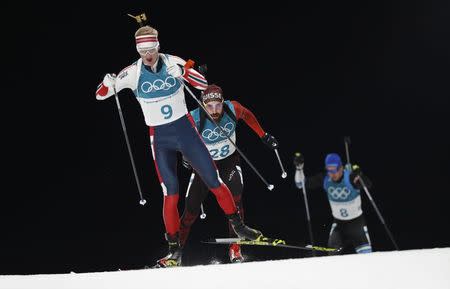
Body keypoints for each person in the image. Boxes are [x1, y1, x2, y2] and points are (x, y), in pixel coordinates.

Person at [95, 25, 264, 267]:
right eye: (143, 50)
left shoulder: (173, 60)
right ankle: (174, 249)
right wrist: (106, 82)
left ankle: (239, 226)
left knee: (214, 180)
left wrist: (184, 73)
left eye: (151, 48)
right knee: (170, 193)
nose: (148, 54)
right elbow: (101, 95)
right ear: (137, 50)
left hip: (185, 131)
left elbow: (202, 84)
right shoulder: (132, 73)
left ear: (158, 46)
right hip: (160, 137)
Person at [179, 84, 279, 263]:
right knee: (190, 211)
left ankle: (235, 249)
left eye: (218, 105)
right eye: (209, 106)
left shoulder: (233, 108)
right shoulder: (194, 117)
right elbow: (182, 137)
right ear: (203, 104)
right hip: (205, 166)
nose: (214, 110)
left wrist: (263, 135)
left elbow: (247, 115)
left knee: (236, 199)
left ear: (223, 102)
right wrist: (185, 156)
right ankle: (175, 253)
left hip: (228, 162)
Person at [294, 153, 373, 254]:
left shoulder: (350, 177)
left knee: (366, 256)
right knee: (332, 255)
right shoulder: (325, 179)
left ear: (341, 167)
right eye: (329, 170)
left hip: (356, 224)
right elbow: (301, 184)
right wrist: (299, 168)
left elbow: (368, 184)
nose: (332, 173)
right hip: (339, 225)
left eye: (334, 169)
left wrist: (360, 175)